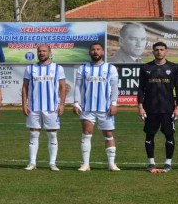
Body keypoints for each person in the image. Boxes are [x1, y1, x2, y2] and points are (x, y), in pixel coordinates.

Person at [73, 42, 121, 172]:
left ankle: (111, 164)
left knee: (108, 134)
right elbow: (77, 86)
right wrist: (76, 103)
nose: (95, 52)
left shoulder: (110, 68)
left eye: (98, 49)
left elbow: (115, 87)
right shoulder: (83, 68)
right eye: (93, 49)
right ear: (90, 52)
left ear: (103, 52)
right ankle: (85, 164)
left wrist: (114, 103)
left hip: (105, 108)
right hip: (87, 108)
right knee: (86, 134)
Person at [137, 42, 178, 172]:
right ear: (153, 52)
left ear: (166, 51)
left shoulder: (174, 67)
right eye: (156, 50)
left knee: (169, 135)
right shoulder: (145, 67)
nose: (159, 52)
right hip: (150, 108)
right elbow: (140, 89)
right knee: (149, 135)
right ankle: (151, 163)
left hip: (168, 109)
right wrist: (140, 106)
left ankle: (168, 163)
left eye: (162, 49)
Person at [22, 44, 67, 171]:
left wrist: (62, 104)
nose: (41, 53)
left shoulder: (57, 68)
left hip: (51, 107)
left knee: (52, 135)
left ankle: (52, 163)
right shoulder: (30, 68)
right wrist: (24, 104)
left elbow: (63, 87)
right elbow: (25, 87)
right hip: (34, 107)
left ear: (49, 52)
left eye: (44, 51)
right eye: (39, 51)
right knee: (33, 134)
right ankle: (32, 163)